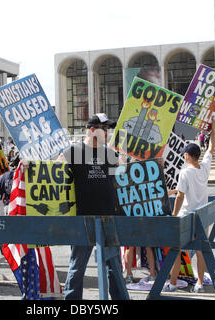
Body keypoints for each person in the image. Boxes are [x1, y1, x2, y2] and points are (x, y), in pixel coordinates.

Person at [58, 113, 127, 300]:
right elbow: (52, 171)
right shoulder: (73, 151)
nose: (107, 133)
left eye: (108, 129)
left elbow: (126, 174)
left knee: (114, 268)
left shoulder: (110, 153)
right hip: (83, 219)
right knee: (77, 268)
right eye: (104, 129)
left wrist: (153, 165)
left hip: (108, 218)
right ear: (91, 129)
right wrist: (27, 166)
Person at [163, 117, 215, 293]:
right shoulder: (205, 166)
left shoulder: (184, 173)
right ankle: (200, 284)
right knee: (201, 251)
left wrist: (173, 214)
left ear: (187, 155)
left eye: (184, 153)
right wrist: (214, 128)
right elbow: (211, 147)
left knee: (176, 250)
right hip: (202, 216)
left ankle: (172, 284)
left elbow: (180, 196)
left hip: (186, 216)